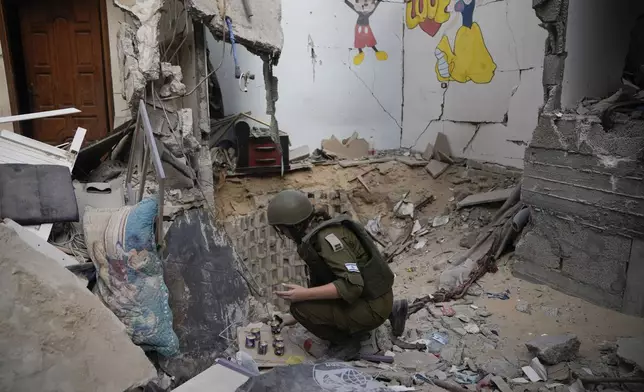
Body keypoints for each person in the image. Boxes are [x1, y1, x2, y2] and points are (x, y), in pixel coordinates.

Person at [267, 189, 408, 359]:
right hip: (376, 295)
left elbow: (353, 285)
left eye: (283, 230)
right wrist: (290, 319)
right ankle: (390, 310)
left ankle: (347, 344)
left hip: (372, 304)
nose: (284, 235)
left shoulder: (327, 240)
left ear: (293, 226)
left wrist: (303, 295)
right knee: (305, 304)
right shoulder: (323, 232)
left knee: (300, 308)